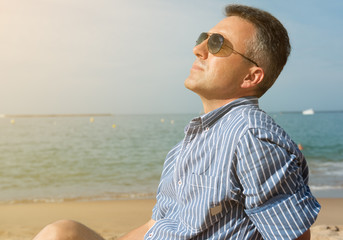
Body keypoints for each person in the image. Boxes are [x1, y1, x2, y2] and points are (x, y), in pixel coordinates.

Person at [33, 4, 320, 240]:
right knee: (62, 231)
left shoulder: (252, 136)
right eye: (203, 38)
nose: (199, 49)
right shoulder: (189, 143)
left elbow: (292, 236)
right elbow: (154, 226)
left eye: (218, 44)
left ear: (251, 77)